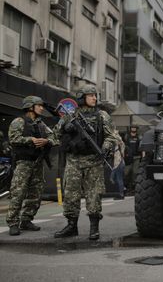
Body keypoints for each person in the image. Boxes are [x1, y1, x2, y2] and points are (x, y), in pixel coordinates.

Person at [54, 85, 116, 240]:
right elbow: (56, 134)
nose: (94, 98)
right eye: (91, 95)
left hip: (94, 161)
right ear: (82, 98)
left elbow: (111, 136)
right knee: (70, 194)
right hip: (73, 161)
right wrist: (66, 129)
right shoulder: (70, 115)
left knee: (94, 195)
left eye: (95, 95)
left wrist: (106, 147)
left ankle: (94, 228)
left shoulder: (102, 115)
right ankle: (71, 226)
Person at [6, 96, 57, 236]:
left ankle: (26, 220)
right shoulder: (19, 122)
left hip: (38, 163)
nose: (41, 108)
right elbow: (13, 138)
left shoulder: (41, 124)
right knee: (18, 193)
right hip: (23, 163)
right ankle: (13, 223)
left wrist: (47, 141)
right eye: (39, 105)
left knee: (36, 193)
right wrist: (31, 140)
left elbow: (55, 138)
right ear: (30, 107)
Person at [123, 125, 141, 194]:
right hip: (128, 158)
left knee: (135, 172)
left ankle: (134, 187)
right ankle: (126, 187)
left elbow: (141, 148)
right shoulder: (127, 137)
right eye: (132, 128)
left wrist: (143, 156)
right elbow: (123, 146)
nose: (133, 129)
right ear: (130, 129)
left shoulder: (139, 137)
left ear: (136, 129)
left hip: (137, 157)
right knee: (126, 172)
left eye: (135, 128)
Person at [110, 130, 126, 200]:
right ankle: (121, 191)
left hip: (119, 162)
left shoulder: (118, 146)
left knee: (118, 178)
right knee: (118, 178)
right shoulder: (122, 144)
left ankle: (121, 193)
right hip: (121, 162)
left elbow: (117, 160)